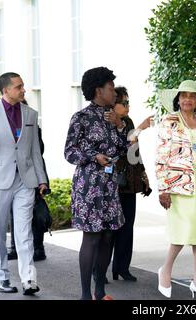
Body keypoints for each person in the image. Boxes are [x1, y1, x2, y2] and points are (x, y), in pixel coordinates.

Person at [0, 72, 48, 295]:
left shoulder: (31, 114)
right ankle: (1, 277)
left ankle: (28, 279)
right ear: (6, 90)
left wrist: (42, 179)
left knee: (24, 232)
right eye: (19, 87)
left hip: (25, 180)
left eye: (23, 86)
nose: (23, 90)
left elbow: (35, 149)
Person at [64, 66, 127, 300]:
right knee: (92, 237)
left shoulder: (113, 115)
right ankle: (84, 294)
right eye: (111, 88)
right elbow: (69, 152)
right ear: (99, 90)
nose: (114, 93)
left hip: (110, 184)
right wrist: (93, 157)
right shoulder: (80, 118)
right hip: (89, 185)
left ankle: (100, 290)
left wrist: (119, 126)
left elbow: (123, 149)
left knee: (108, 236)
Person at [156, 80, 196, 300]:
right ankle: (165, 270)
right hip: (178, 185)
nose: (187, 100)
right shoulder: (169, 121)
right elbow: (161, 156)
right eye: (183, 96)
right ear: (178, 99)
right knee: (181, 234)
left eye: (192, 96)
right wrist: (162, 188)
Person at [100, 86, 152, 282]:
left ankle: (122, 268)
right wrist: (140, 128)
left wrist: (143, 175)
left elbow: (134, 151)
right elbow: (119, 147)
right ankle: (101, 270)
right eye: (124, 102)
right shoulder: (105, 122)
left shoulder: (127, 121)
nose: (128, 105)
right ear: (113, 104)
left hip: (129, 182)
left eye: (128, 102)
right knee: (109, 230)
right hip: (112, 182)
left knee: (127, 226)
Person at [8, 99, 50, 262]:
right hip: (12, 176)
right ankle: (15, 247)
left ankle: (38, 248)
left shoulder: (32, 126)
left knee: (36, 211)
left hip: (32, 173)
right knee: (14, 213)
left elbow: (38, 150)